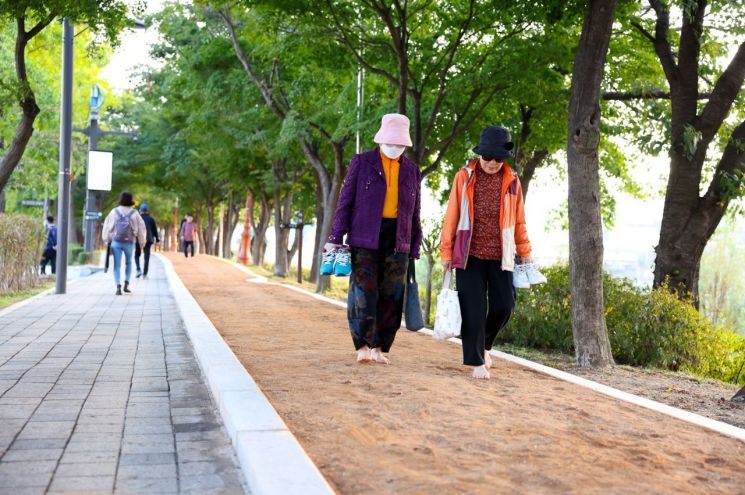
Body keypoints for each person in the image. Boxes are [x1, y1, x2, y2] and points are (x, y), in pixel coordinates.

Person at [440, 125, 537, 380]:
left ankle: (485, 345)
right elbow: (451, 216)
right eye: (487, 157)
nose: (492, 163)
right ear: (480, 154)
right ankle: (477, 361)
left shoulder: (512, 181)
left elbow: (519, 221)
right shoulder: (464, 177)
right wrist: (446, 253)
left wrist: (525, 252)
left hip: (501, 255)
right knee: (473, 309)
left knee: (504, 306)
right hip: (468, 254)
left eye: (498, 158)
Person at [326, 113, 423, 364]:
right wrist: (336, 236)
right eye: (390, 143)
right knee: (363, 291)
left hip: (398, 237)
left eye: (399, 145)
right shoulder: (362, 162)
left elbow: (415, 212)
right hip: (364, 236)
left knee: (392, 294)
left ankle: (381, 346)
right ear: (380, 141)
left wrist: (414, 245)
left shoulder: (412, 171)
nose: (394, 148)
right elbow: (345, 201)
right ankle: (362, 345)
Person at [101, 191, 147, 295]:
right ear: (131, 199)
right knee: (128, 263)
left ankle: (118, 286)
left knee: (117, 265)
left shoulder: (114, 211)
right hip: (129, 242)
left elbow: (107, 226)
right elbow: (141, 227)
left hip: (116, 241)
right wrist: (142, 241)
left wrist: (106, 239)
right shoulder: (134, 213)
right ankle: (126, 283)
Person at [134, 203, 159, 278]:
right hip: (148, 239)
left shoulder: (137, 218)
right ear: (147, 210)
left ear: (140, 210)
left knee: (137, 255)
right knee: (146, 256)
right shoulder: (151, 219)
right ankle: (145, 274)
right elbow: (154, 230)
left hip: (138, 239)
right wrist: (157, 239)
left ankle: (138, 269)